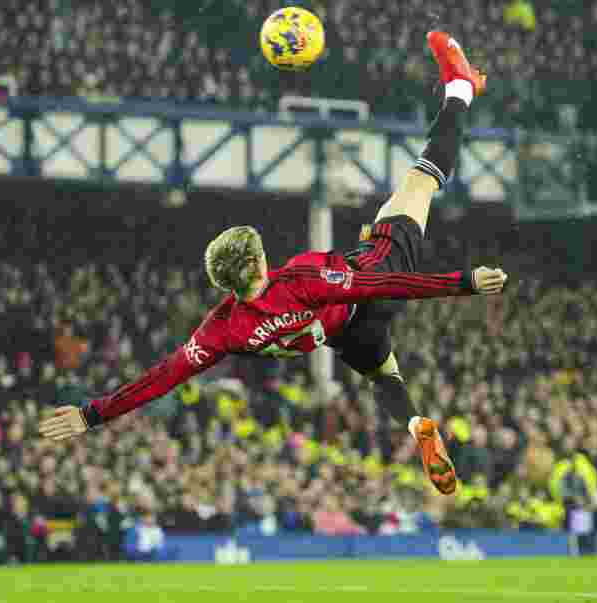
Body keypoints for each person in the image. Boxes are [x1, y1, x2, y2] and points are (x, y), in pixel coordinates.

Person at [39, 32, 508, 495]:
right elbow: (381, 283)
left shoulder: (222, 329)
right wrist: (464, 282)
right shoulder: (300, 278)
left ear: (225, 284)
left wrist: (91, 414)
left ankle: (414, 424)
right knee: (422, 179)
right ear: (261, 259)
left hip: (345, 337)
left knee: (384, 374)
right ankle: (459, 89)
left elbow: (160, 378)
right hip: (371, 283)